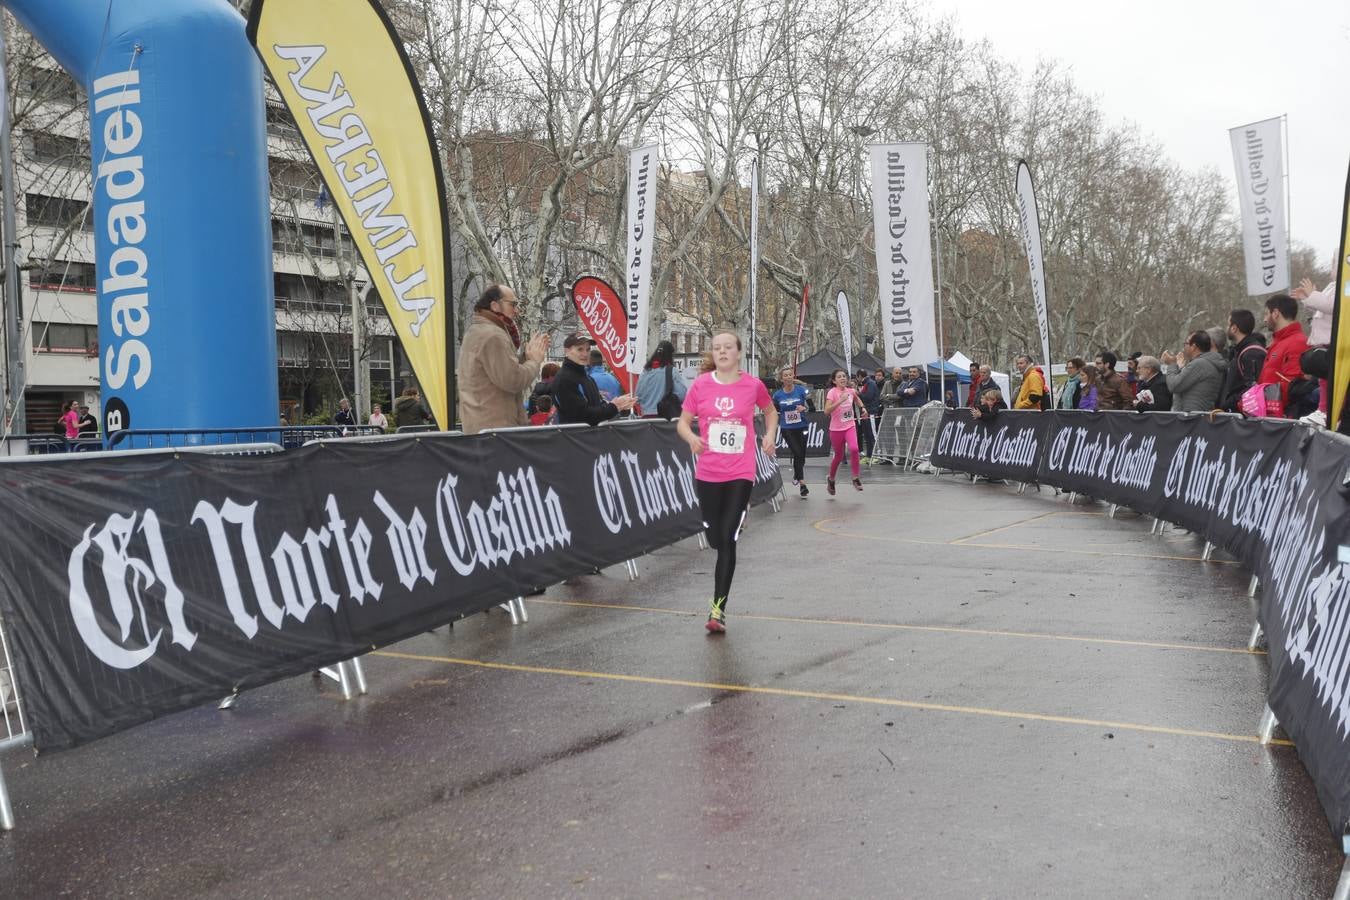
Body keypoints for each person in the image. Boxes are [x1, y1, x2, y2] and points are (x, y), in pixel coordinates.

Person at [676, 330, 776, 634]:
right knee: (715, 539)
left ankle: (717, 610)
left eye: (728, 347)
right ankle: (733, 522)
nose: (722, 352)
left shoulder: (753, 385)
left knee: (728, 540)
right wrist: (692, 437)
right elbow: (682, 422)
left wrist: (769, 434)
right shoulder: (701, 386)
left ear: (738, 353)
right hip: (708, 472)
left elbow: (770, 411)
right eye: (717, 348)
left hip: (740, 471)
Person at [456, 284, 550, 434]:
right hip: (497, 431)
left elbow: (500, 371)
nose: (517, 310)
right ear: (495, 305)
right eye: (513, 304)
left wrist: (526, 356)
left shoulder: (478, 331)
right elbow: (512, 380)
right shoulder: (493, 335)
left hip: (484, 428)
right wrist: (534, 361)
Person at [552, 333, 637, 425]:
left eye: (588, 349)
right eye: (580, 349)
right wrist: (614, 406)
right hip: (575, 437)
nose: (585, 354)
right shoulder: (565, 379)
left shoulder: (586, 377)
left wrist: (616, 404)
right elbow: (581, 415)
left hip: (590, 435)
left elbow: (596, 406)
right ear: (567, 351)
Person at [1258, 293, 1310, 415]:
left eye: (1266, 314)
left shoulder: (1297, 342)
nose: (1265, 319)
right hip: (1270, 415)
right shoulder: (1277, 342)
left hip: (1284, 419)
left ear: (1275, 313)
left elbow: (1293, 385)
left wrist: (1262, 400)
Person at [824, 368, 866, 495]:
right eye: (839, 377)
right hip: (836, 429)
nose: (843, 378)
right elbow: (826, 411)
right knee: (838, 456)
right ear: (834, 380)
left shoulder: (851, 391)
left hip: (850, 426)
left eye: (844, 376)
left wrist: (863, 408)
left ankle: (855, 478)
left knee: (854, 448)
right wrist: (840, 400)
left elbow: (857, 399)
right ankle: (831, 479)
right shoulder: (832, 392)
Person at [1161, 331, 1225, 412]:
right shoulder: (1207, 362)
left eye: (1186, 343)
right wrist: (1180, 368)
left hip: (1191, 419)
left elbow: (1174, 385)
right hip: (1197, 417)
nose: (1184, 347)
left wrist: (1172, 364)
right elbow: (1186, 385)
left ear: (1193, 347)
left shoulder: (1199, 364)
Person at [773, 366, 812, 497]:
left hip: (802, 427)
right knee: (797, 452)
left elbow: (812, 408)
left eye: (790, 375)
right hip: (787, 429)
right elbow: (774, 410)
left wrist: (804, 408)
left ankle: (797, 473)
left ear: (793, 376)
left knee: (801, 455)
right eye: (785, 375)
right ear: (781, 379)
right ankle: (802, 483)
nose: (788, 377)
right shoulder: (777, 395)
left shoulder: (801, 390)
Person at [1218, 309, 1267, 412]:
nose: (1227, 328)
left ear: (1234, 328)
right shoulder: (1239, 351)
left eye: (1228, 325)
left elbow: (1253, 388)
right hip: (1237, 413)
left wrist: (1230, 402)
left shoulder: (1252, 353)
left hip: (1245, 417)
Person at [634, 340, 688, 419]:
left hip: (646, 419)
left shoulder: (644, 372)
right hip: (665, 419)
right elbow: (682, 395)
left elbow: (638, 397)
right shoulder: (672, 371)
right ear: (670, 355)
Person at [1292, 275, 1334, 347]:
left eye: (1334, 265)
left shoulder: (1347, 284)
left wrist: (1312, 294)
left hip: (1331, 343)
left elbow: (1333, 305)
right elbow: (1321, 310)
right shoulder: (1332, 286)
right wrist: (1307, 298)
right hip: (1322, 342)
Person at [857, 369, 881, 458]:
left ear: (859, 376)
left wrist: (858, 394)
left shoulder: (870, 383)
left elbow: (868, 397)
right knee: (867, 435)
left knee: (872, 434)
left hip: (871, 412)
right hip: (866, 412)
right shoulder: (867, 384)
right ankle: (869, 455)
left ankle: (877, 455)